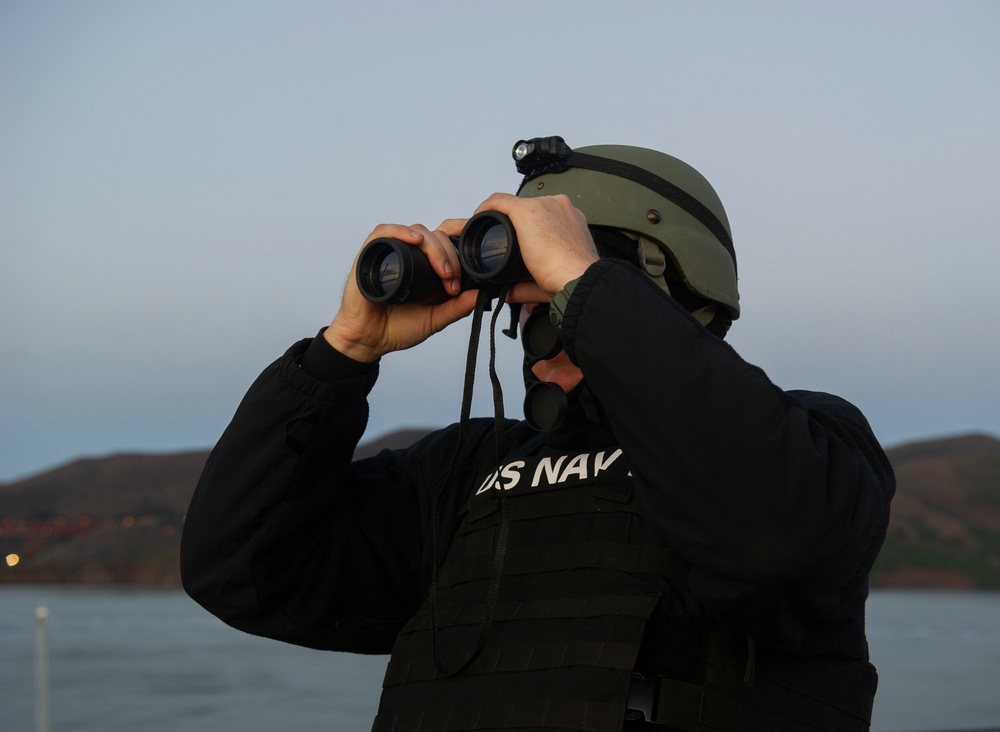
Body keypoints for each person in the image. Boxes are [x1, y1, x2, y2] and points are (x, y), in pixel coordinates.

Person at [181, 136, 895, 731]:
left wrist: (585, 286)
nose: (537, 325)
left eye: (558, 294)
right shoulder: (468, 475)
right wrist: (342, 354)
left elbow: (775, 537)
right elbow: (242, 569)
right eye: (525, 299)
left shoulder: (812, 443)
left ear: (664, 288)